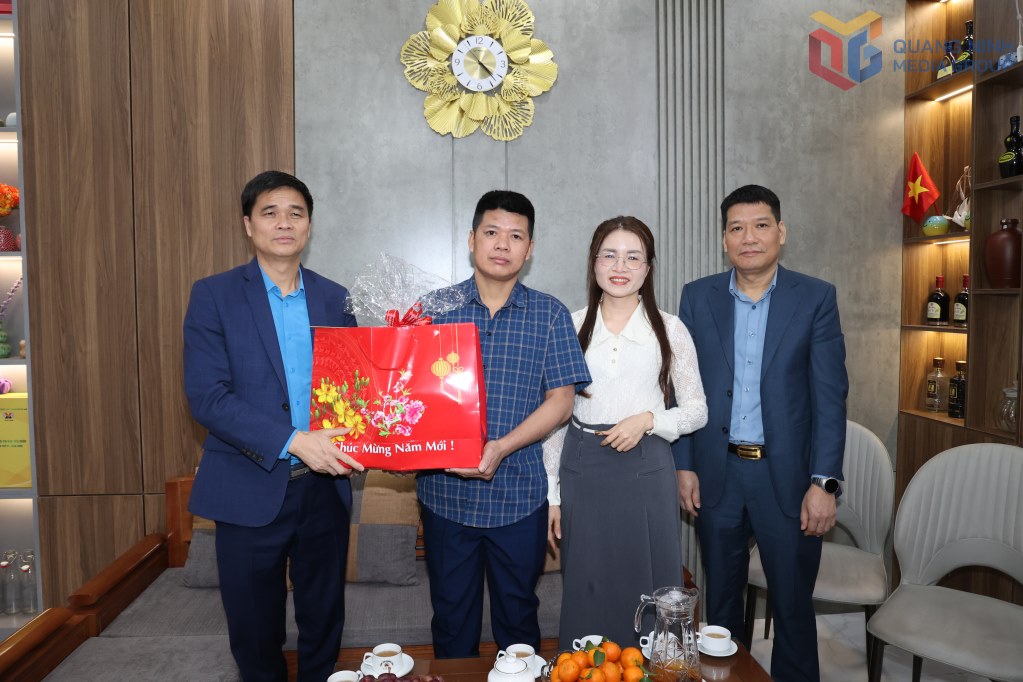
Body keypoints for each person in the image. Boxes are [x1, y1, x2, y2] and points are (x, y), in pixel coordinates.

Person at [183, 170, 363, 682]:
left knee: (324, 620)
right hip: (246, 486)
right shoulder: (213, 295)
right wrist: (294, 441)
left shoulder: (336, 298)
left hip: (324, 490)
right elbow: (208, 397)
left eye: (296, 213)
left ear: (309, 226)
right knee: (255, 630)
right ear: (248, 225)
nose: (284, 223)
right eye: (270, 212)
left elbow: (354, 394)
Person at [673, 184, 848, 681]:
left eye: (761, 225)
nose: (749, 237)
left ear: (781, 232)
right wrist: (684, 464)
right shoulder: (697, 297)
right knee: (722, 609)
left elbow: (830, 400)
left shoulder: (815, 298)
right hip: (718, 473)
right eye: (736, 228)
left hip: (789, 480)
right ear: (724, 239)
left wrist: (825, 482)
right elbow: (682, 390)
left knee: (792, 608)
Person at [415, 189, 591, 658]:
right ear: (472, 239)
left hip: (519, 497)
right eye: (492, 232)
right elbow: (407, 399)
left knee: (518, 619)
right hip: (445, 497)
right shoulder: (433, 309)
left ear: (529, 249)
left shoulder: (550, 314)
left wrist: (501, 446)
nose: (502, 244)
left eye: (516, 236)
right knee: (451, 620)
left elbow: (562, 401)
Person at [543, 216, 708, 649]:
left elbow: (697, 410)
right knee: (586, 583)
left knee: (647, 580)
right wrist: (552, 493)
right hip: (583, 466)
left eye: (633, 257)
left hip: (646, 466)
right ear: (594, 264)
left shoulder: (670, 329)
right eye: (610, 255)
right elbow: (557, 416)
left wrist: (650, 420)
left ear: (648, 268)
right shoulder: (568, 325)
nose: (621, 266)